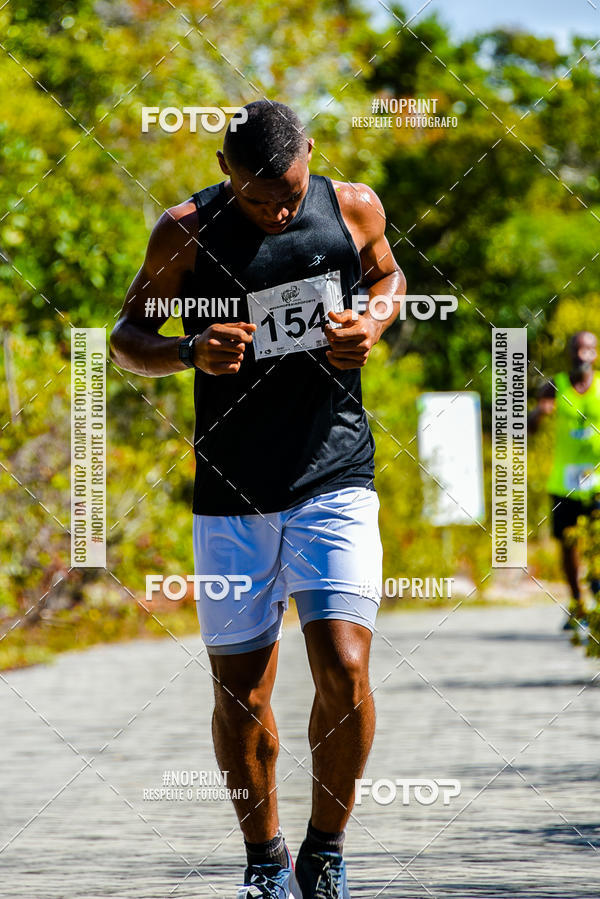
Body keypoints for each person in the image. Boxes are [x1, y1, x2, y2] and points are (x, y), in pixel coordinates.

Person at [110, 99, 405, 899]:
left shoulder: (353, 206)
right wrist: (186, 349)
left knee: (344, 667)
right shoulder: (186, 229)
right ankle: (263, 858)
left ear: (310, 154)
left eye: (287, 193)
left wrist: (372, 324)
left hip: (333, 472)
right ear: (222, 173)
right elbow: (126, 334)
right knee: (243, 695)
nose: (277, 210)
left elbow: (387, 275)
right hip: (233, 491)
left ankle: (327, 851)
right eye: (255, 197)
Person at [530, 331, 600, 628]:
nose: (582, 354)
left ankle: (596, 587)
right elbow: (529, 427)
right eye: (577, 348)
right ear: (570, 353)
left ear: (595, 354)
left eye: (589, 349)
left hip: (597, 479)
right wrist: (540, 413)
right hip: (565, 482)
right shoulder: (553, 387)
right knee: (568, 546)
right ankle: (577, 604)